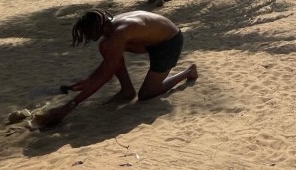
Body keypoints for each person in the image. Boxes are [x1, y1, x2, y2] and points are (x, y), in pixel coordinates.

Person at [41, 9, 197, 126]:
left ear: (96, 27)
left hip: (170, 42)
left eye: (88, 34)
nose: (88, 38)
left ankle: (188, 72)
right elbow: (110, 60)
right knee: (105, 45)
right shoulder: (110, 25)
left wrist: (69, 106)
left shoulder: (120, 32)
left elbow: (106, 75)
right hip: (150, 41)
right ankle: (127, 90)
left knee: (146, 94)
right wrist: (89, 80)